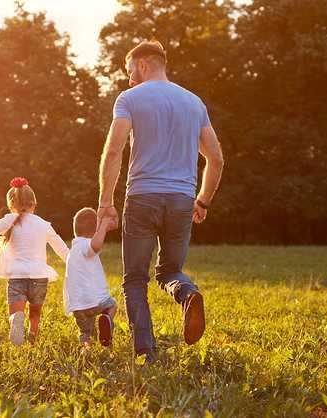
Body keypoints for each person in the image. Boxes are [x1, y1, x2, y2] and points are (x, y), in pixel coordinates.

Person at [97, 40, 225, 361]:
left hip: (142, 197)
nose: (129, 79)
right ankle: (188, 293)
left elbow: (114, 151)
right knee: (170, 271)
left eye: (130, 71)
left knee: (135, 280)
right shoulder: (194, 103)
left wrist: (105, 202)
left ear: (142, 65)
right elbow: (216, 159)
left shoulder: (129, 99)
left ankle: (146, 352)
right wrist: (203, 201)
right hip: (182, 199)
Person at [0, 177, 69, 346]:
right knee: (35, 313)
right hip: (39, 276)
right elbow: (62, 249)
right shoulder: (43, 224)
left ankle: (15, 320)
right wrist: (75, 263)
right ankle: (32, 337)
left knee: (16, 312)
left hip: (17, 275)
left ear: (11, 204)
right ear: (34, 203)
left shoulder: (9, 220)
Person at [64, 208, 118, 347]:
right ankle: (106, 319)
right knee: (112, 305)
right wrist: (103, 226)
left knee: (86, 334)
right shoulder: (85, 245)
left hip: (77, 306)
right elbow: (95, 245)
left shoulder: (73, 250)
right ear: (94, 233)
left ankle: (86, 351)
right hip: (95, 301)